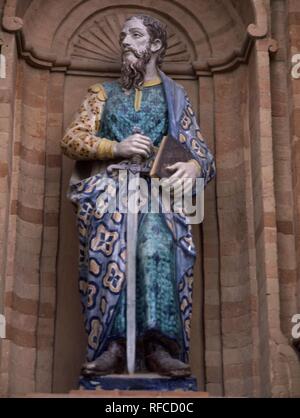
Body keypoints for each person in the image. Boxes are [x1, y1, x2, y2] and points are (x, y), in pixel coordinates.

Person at [61, 14, 215, 378]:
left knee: (155, 249)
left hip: (156, 195)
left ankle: (158, 345)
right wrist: (116, 147)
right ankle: (112, 346)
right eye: (123, 35)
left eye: (135, 35)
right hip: (108, 196)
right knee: (110, 258)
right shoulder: (103, 93)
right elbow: (72, 139)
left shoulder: (174, 96)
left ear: (156, 46)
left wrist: (195, 167)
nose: (125, 41)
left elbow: (201, 152)